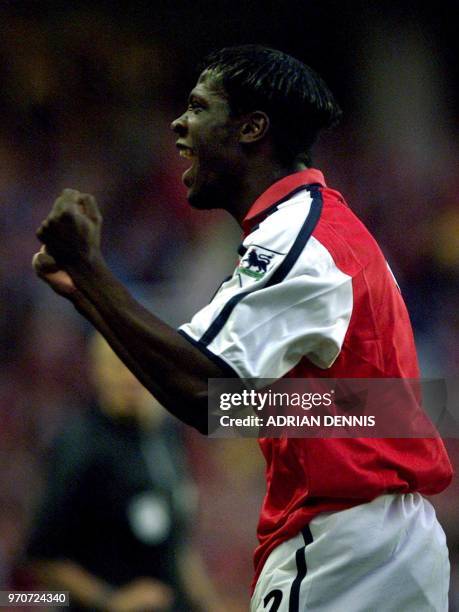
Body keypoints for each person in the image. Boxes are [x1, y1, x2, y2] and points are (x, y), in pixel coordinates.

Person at [32, 45, 453, 611]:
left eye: (199, 107)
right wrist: (88, 291)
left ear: (252, 128)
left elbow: (202, 390)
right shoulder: (333, 229)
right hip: (391, 541)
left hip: (342, 548)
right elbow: (239, 406)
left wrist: (90, 270)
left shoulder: (296, 239)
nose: (179, 124)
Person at [26, 333, 221, 612]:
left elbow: (177, 546)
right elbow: (42, 557)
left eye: (139, 363)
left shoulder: (166, 433)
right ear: (97, 371)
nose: (131, 377)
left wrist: (209, 606)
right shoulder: (80, 445)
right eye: (119, 365)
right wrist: (110, 601)